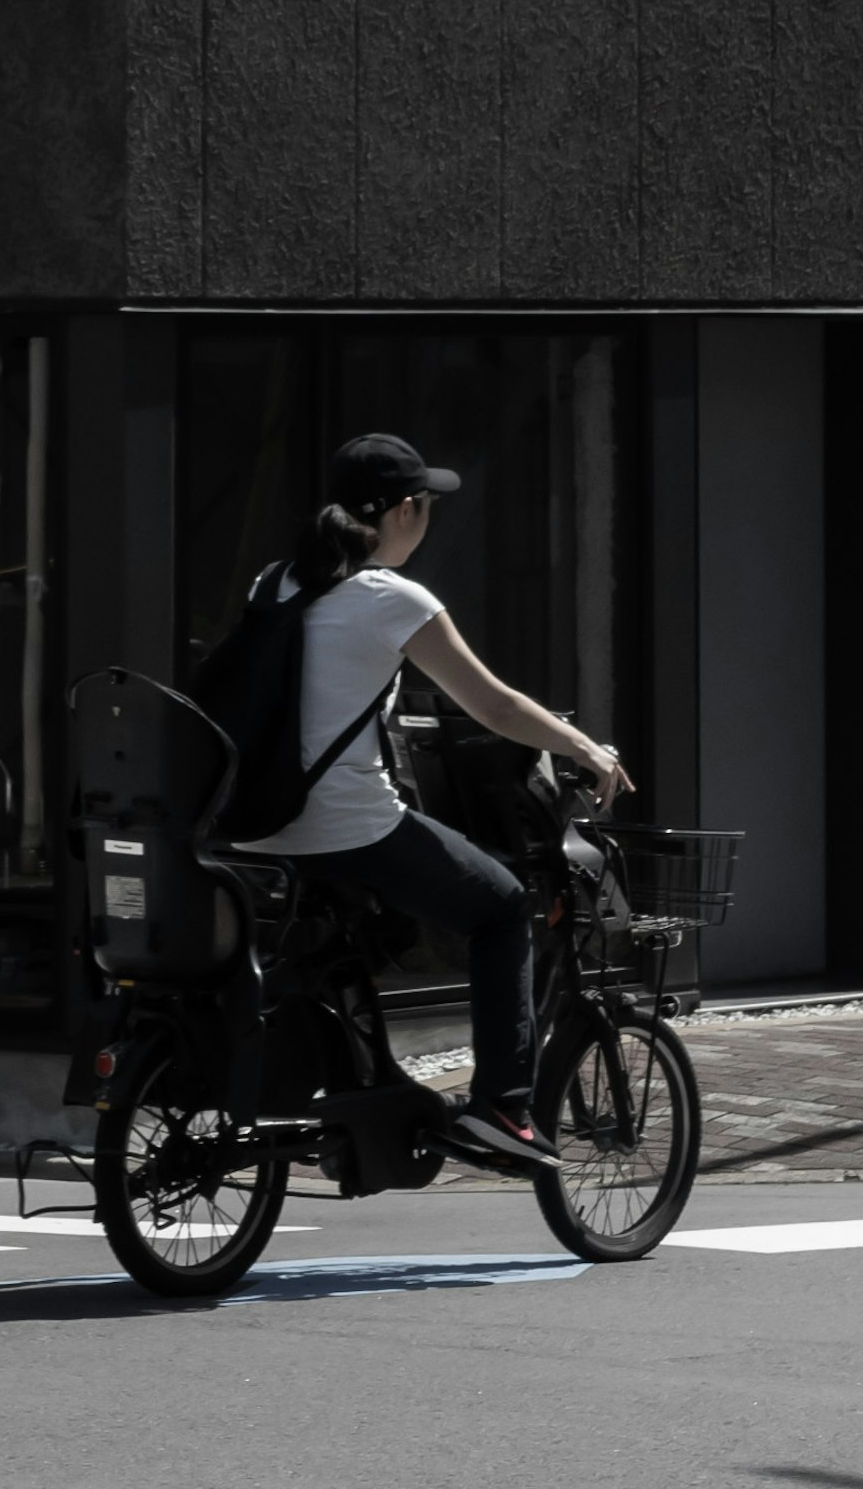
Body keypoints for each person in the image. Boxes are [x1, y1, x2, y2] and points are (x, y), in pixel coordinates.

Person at [227, 427, 627, 1171]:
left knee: (359, 933)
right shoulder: (394, 597)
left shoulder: (274, 581)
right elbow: (496, 706)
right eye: (426, 505)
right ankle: (504, 1105)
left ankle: (366, 1086)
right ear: (406, 511)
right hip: (346, 827)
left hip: (258, 828)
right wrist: (586, 748)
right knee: (502, 905)